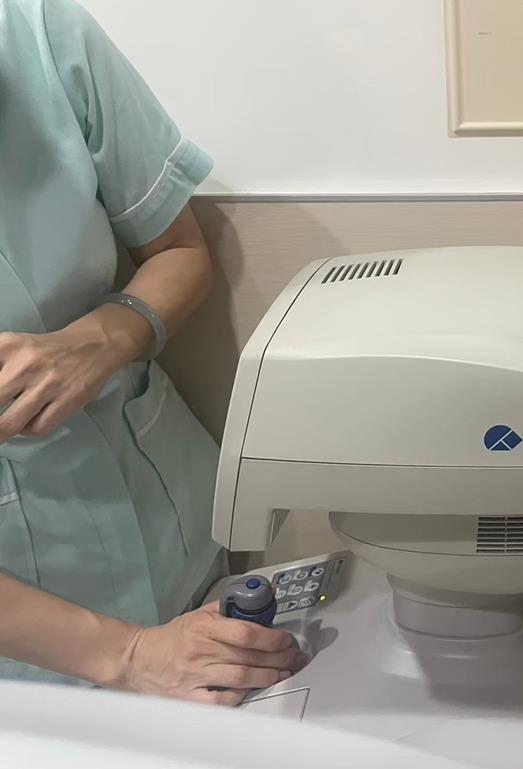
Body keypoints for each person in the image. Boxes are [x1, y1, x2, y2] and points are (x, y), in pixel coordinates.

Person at [0, 0, 303, 703]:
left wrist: (107, 335)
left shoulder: (40, 30)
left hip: (170, 535)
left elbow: (179, 251)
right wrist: (130, 655)